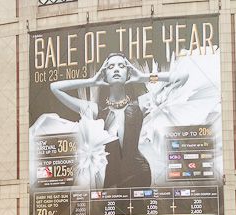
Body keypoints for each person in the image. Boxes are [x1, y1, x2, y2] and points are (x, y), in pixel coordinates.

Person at [50, 53, 187, 189]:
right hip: (110, 179)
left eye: (121, 66)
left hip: (140, 174)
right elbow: (55, 88)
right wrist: (92, 81)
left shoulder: (140, 104)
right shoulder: (96, 110)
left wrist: (143, 77)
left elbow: (181, 77)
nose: (116, 69)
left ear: (128, 73)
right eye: (110, 67)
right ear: (104, 74)